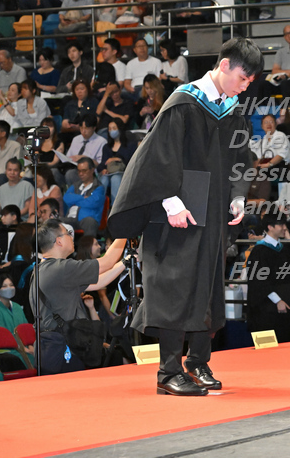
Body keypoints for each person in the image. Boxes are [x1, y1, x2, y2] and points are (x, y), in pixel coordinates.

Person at [108, 38, 262, 396]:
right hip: (177, 210)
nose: (244, 86)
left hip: (213, 211)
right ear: (224, 65)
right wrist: (171, 202)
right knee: (175, 288)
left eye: (250, 82)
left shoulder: (232, 111)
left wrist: (238, 197)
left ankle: (197, 361)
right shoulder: (183, 102)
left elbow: (241, 158)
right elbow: (157, 157)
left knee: (207, 286)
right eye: (242, 78)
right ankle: (168, 372)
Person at [32, 220, 126, 375]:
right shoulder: (61, 268)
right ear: (59, 241)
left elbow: (99, 282)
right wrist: (126, 232)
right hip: (61, 347)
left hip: (51, 345)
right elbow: (107, 262)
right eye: (68, 233)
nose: (72, 237)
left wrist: (125, 261)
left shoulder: (43, 269)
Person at [245, 213, 290, 343]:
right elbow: (258, 281)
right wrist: (277, 300)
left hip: (284, 309)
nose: (284, 228)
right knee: (266, 349)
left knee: (285, 348)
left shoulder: (284, 249)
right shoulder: (259, 251)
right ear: (270, 227)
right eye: (281, 224)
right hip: (264, 310)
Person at [0, 275, 33, 367]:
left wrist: (30, 346)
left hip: (23, 348)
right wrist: (22, 348)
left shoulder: (17, 307)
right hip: (4, 350)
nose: (9, 288)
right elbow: (0, 336)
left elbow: (26, 331)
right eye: (4, 286)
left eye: (11, 285)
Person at [62, 157, 105, 237]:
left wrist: (74, 200)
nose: (81, 174)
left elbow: (92, 203)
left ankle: (88, 245)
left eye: (84, 171)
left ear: (92, 170)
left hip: (86, 218)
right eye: (79, 171)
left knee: (90, 222)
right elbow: (66, 198)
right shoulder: (75, 185)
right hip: (70, 218)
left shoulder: (99, 187)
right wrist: (82, 198)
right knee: (54, 222)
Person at [98, 118, 136, 207]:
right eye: (110, 129)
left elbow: (132, 163)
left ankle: (115, 207)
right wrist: (103, 169)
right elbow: (103, 163)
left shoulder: (130, 145)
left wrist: (118, 159)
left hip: (123, 173)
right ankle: (100, 206)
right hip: (109, 172)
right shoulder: (106, 147)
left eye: (114, 128)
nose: (112, 131)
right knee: (104, 179)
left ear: (120, 128)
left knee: (115, 178)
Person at [64, 114, 105, 187]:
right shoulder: (76, 139)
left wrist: (84, 158)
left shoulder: (101, 142)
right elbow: (68, 157)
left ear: (94, 128)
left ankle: (78, 193)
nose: (83, 131)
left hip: (90, 172)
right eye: (81, 128)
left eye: (86, 128)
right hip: (74, 168)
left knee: (70, 174)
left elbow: (100, 164)